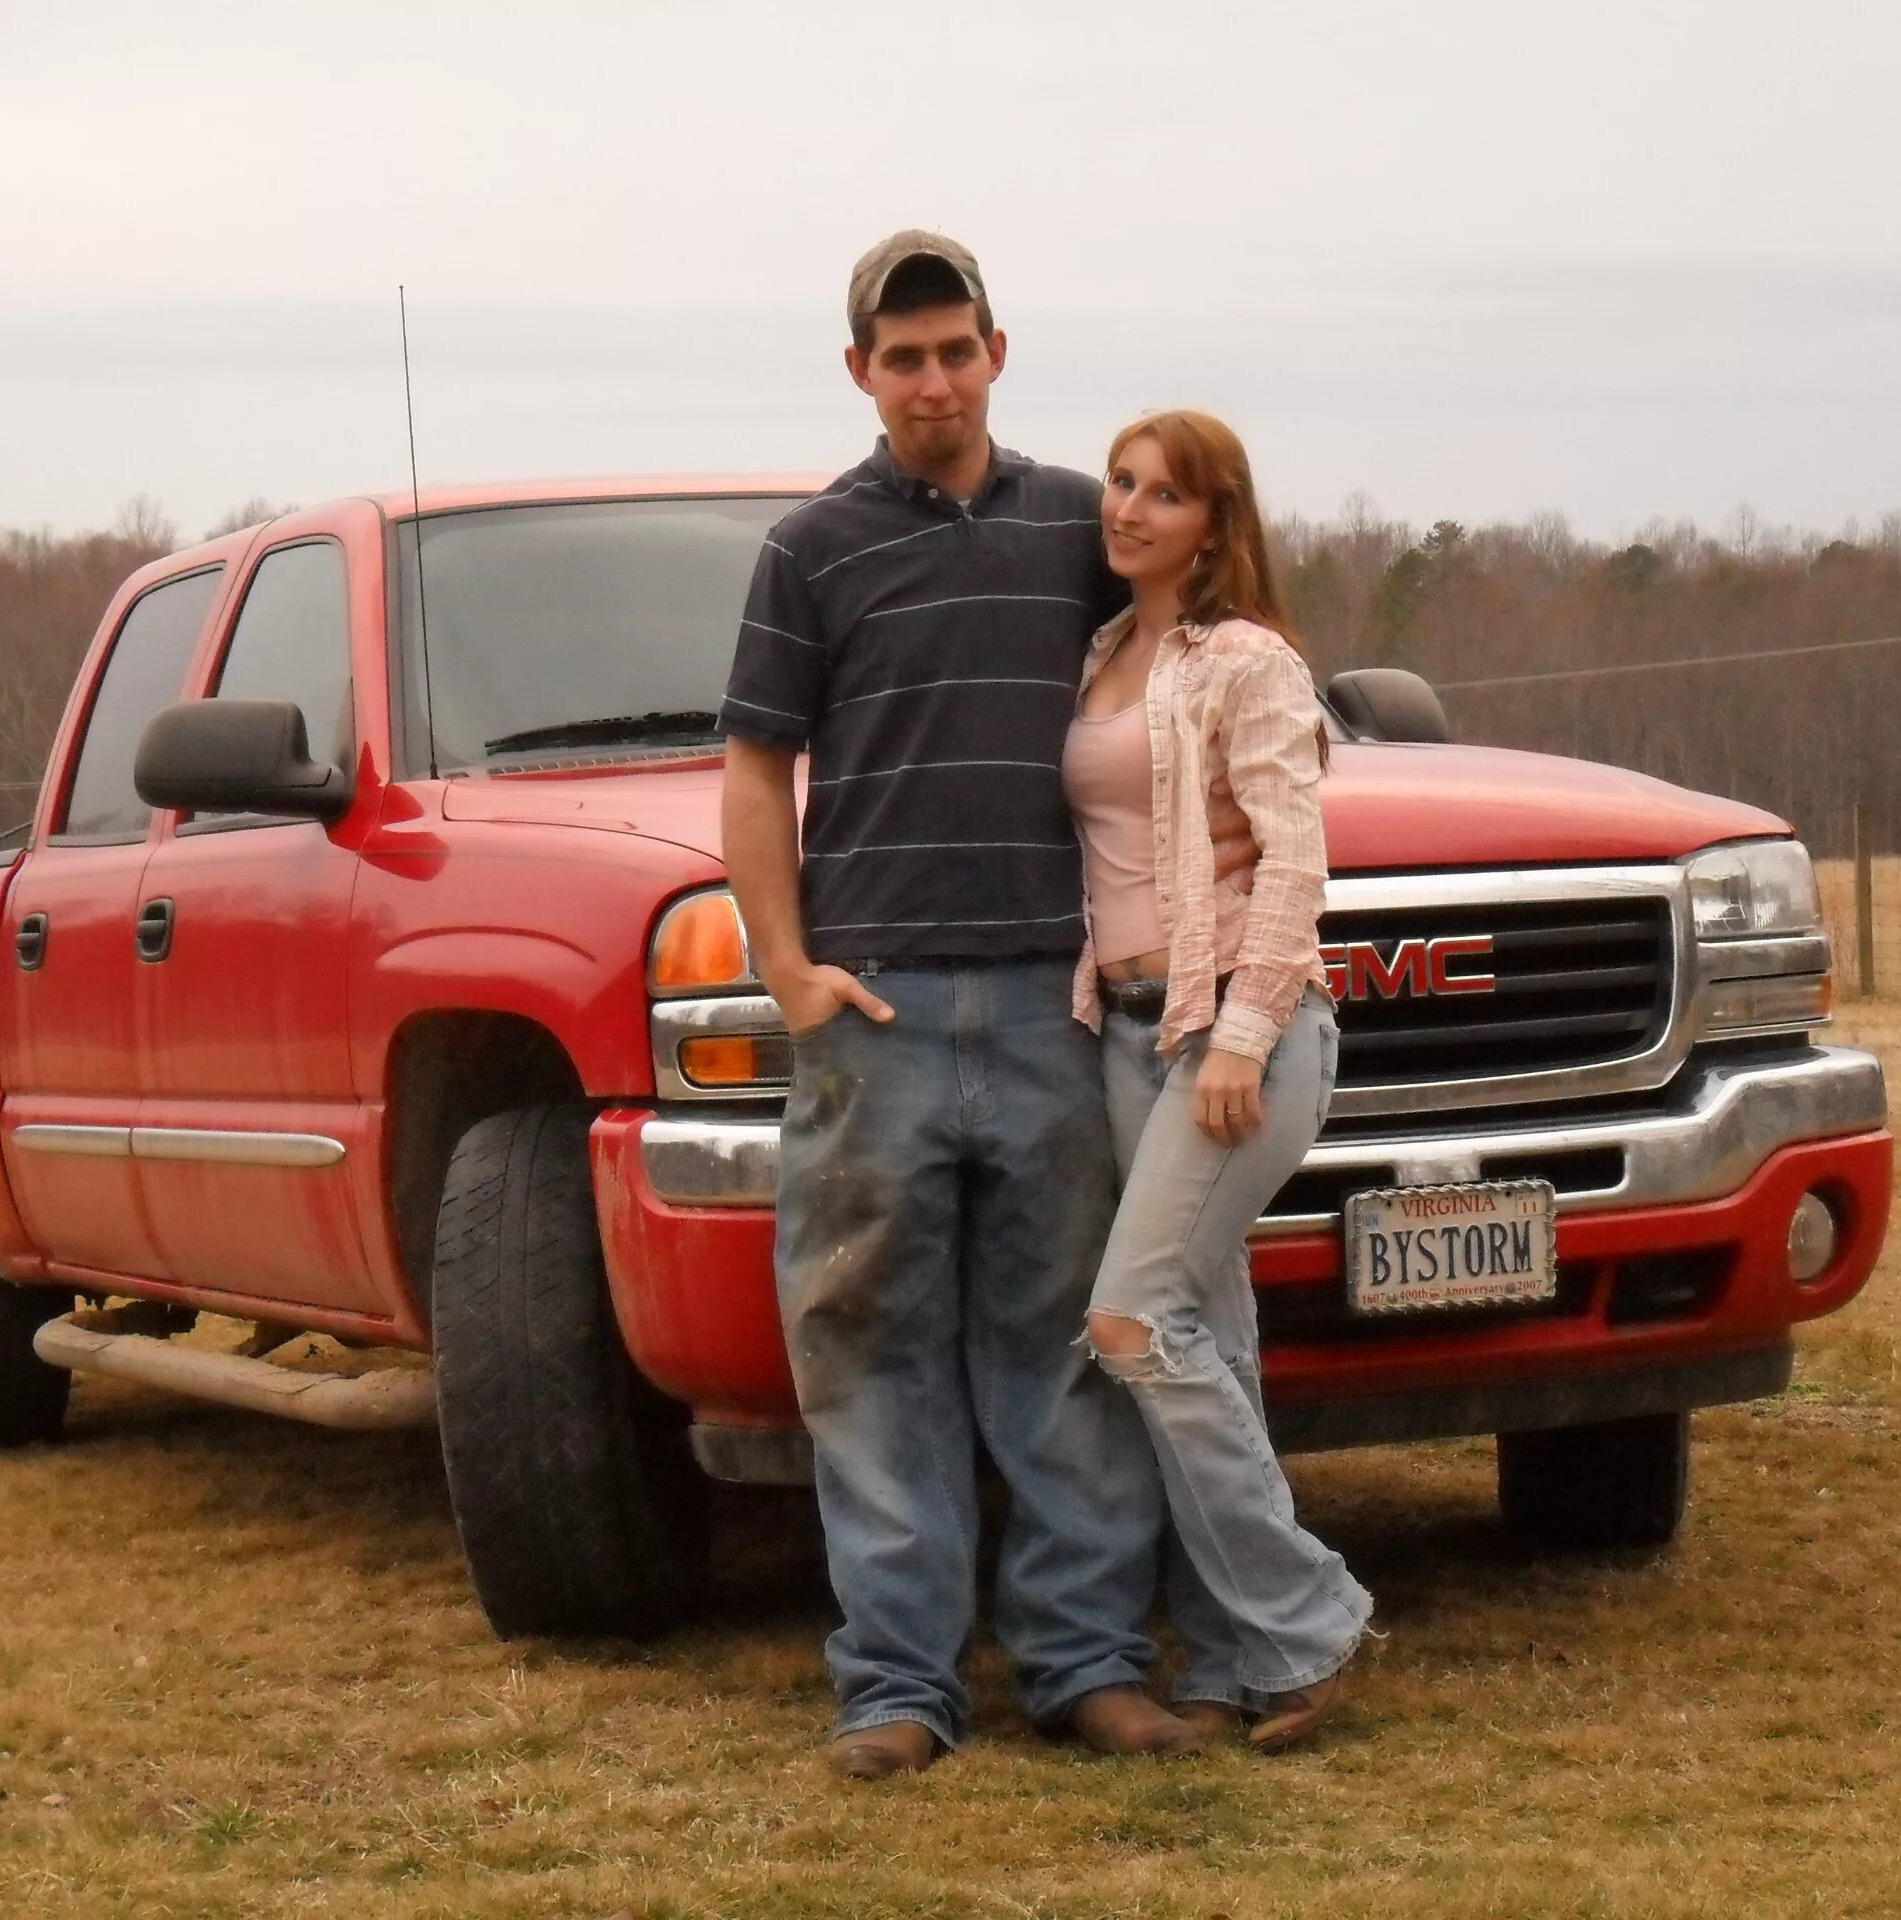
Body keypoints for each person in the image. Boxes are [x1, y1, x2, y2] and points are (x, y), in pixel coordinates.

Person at [718, 232, 1203, 1777]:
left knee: (1064, 1351)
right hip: (882, 1018)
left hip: (1058, 1009)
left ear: (1000, 349)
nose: (933, 380)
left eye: (956, 349)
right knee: (871, 1357)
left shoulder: (1081, 527)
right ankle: (899, 1690)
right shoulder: (811, 551)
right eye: (902, 356)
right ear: (859, 372)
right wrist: (790, 972)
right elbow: (753, 770)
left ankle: (1084, 1667)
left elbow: (1190, 680)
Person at [1065, 408, 1373, 1752]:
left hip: (1235, 1034)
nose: (1128, 508)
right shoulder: (1101, 656)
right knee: (1213, 1340)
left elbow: (1296, 863)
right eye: (1120, 483)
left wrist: (1244, 1033)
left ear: (1215, 521)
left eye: (1164, 494)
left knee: (1131, 1325)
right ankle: (1239, 1654)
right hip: (1129, 1030)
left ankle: (1308, 1616)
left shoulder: (1246, 661)